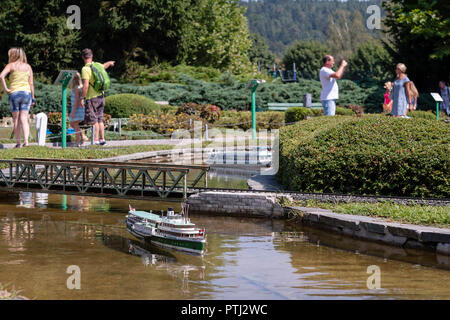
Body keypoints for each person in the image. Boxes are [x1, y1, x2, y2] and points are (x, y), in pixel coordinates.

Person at [0, 48, 35, 148]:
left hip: (14, 94)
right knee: (24, 118)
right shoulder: (28, 67)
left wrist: (6, 88)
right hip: (26, 94)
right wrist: (33, 97)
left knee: (16, 119)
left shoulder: (11, 65)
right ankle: (27, 142)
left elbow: (1, 76)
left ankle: (19, 143)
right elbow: (31, 83)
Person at [80, 48, 114, 146]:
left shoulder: (85, 69)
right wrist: (110, 63)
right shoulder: (98, 65)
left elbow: (86, 85)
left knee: (93, 120)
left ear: (83, 57)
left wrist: (82, 98)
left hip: (91, 98)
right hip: (101, 97)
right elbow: (105, 66)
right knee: (100, 119)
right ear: (92, 56)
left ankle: (95, 141)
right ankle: (102, 139)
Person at [69, 72, 88, 147]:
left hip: (76, 109)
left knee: (75, 125)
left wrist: (73, 112)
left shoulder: (77, 88)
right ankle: (83, 136)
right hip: (77, 108)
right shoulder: (78, 87)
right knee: (72, 124)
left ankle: (77, 141)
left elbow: (77, 101)